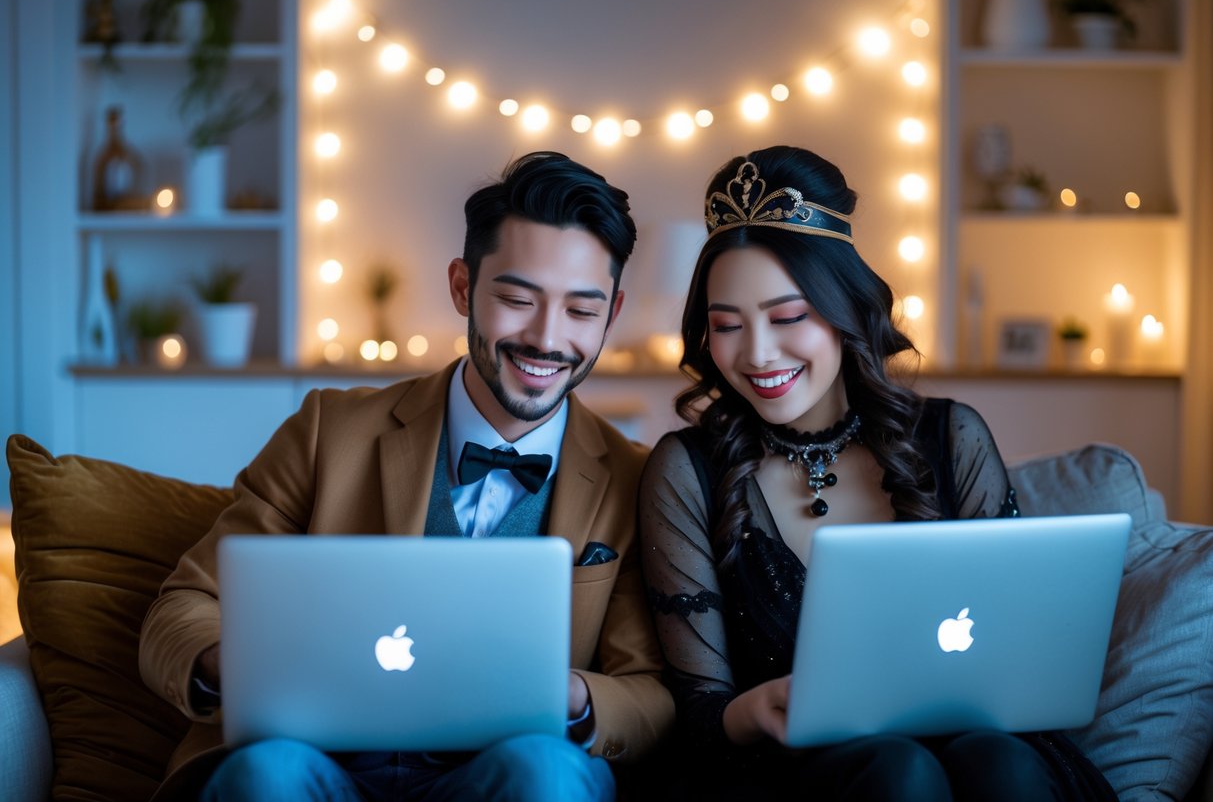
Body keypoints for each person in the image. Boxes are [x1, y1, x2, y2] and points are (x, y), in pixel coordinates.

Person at [139, 151, 674, 802]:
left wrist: (572, 695)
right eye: (515, 299)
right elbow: (184, 607)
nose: (545, 337)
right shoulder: (326, 431)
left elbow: (649, 688)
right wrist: (238, 665)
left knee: (546, 774)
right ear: (461, 287)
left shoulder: (635, 477)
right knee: (266, 774)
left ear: (611, 315)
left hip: (504, 773)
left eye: (580, 312)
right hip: (314, 763)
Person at [638, 145, 1116, 801]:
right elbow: (692, 710)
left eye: (787, 318)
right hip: (787, 771)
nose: (756, 353)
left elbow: (1015, 651)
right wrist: (755, 709)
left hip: (977, 750)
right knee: (899, 769)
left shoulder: (952, 437)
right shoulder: (686, 470)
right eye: (726, 326)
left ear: (843, 308)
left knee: (997, 762)